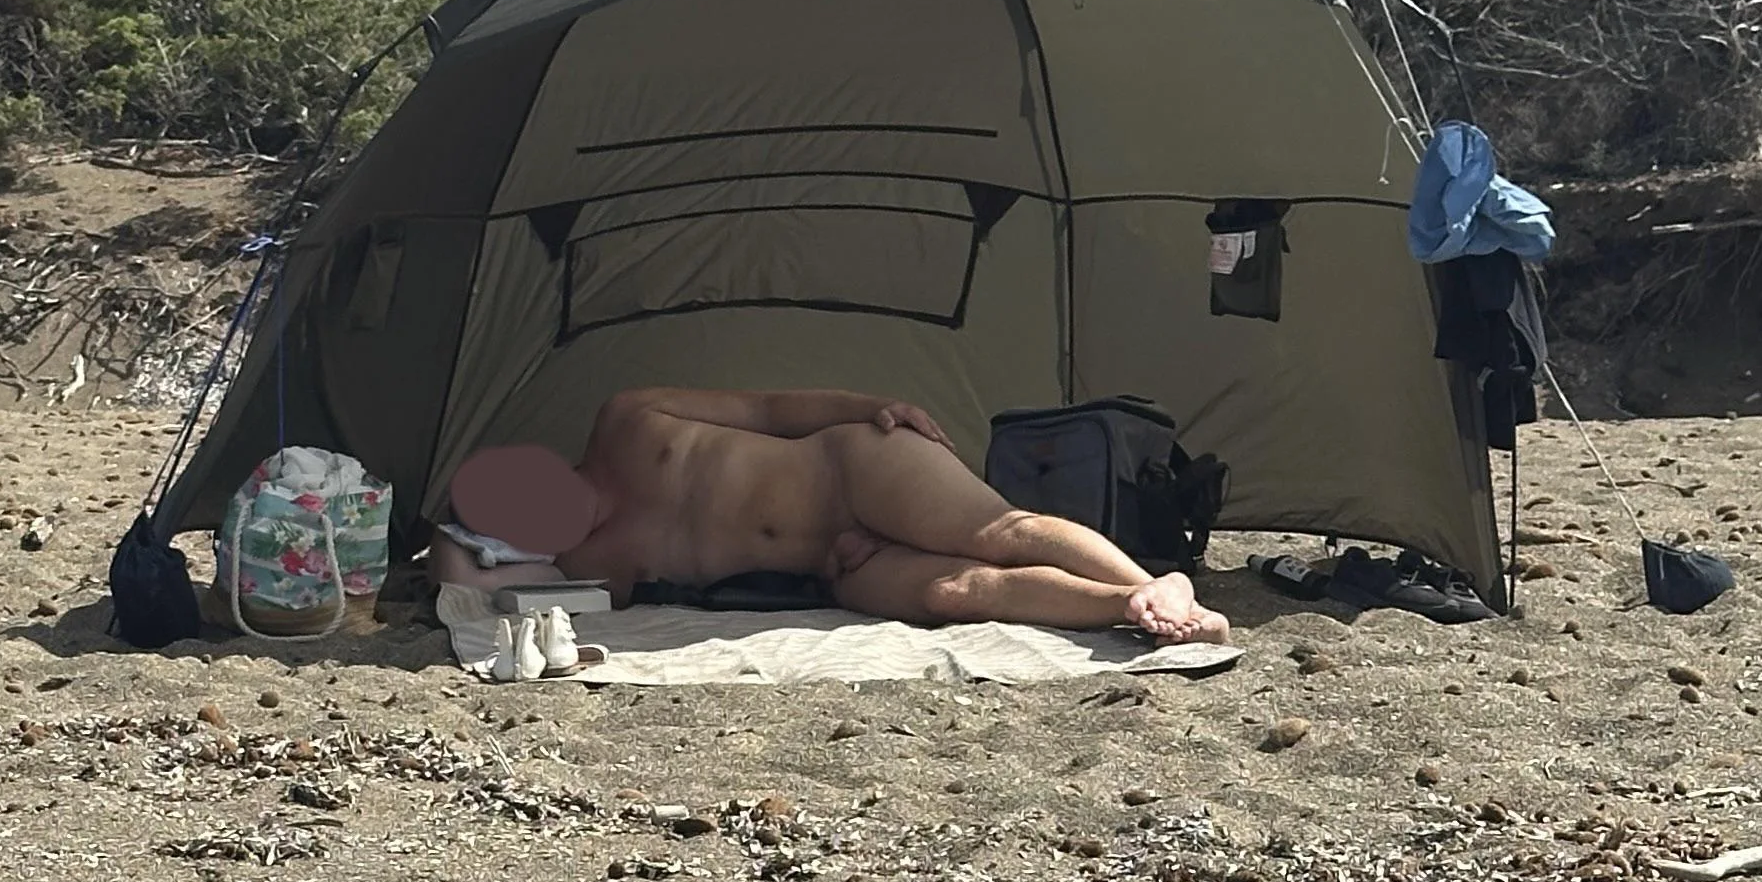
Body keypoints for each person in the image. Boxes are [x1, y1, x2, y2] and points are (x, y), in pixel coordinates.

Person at [448, 387, 1230, 644]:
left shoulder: (627, 418)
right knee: (957, 596)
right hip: (834, 567)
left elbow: (766, 406)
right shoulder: (597, 569)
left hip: (850, 472)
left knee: (998, 532)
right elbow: (473, 583)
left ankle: (1159, 583)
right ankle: (1128, 610)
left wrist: (872, 409)